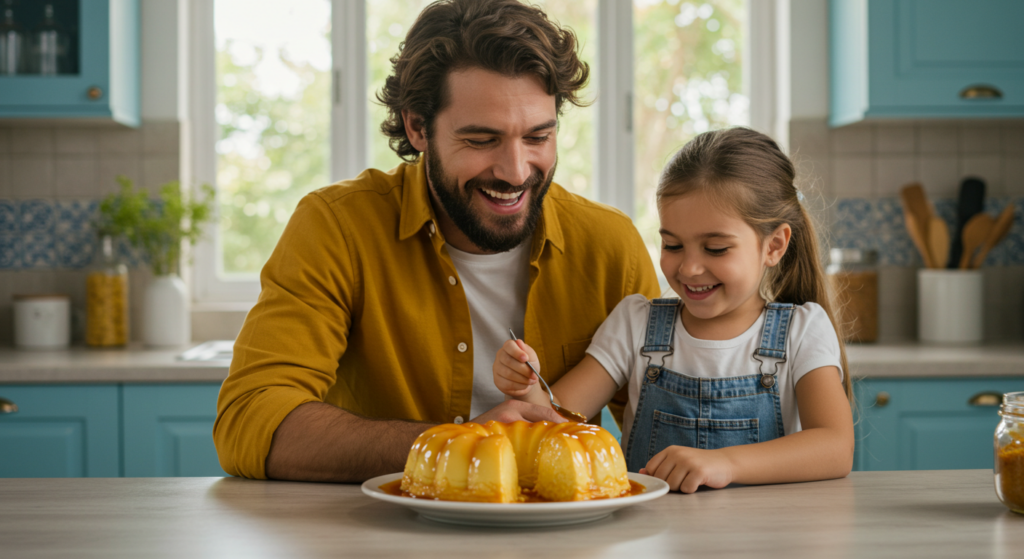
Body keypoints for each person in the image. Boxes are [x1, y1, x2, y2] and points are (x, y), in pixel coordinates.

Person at [213, 0, 660, 482]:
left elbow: (666, 417)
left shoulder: (608, 244)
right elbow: (250, 421)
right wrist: (453, 446)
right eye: (481, 140)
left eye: (537, 137)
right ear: (417, 127)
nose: (515, 171)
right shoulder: (336, 228)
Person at [494, 127, 854, 493]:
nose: (688, 268)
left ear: (774, 245)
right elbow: (555, 418)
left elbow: (835, 447)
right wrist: (527, 385)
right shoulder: (635, 323)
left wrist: (725, 463)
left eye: (715, 248)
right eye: (673, 245)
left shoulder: (802, 330)